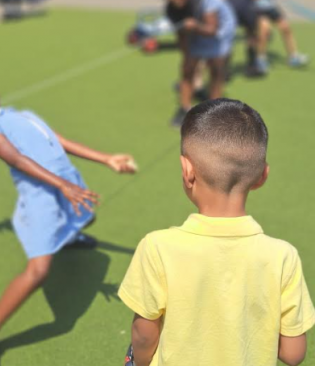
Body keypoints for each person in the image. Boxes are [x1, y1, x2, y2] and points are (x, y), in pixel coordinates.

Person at [0, 75, 137, 366]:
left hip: (65, 184)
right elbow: (17, 160)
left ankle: (68, 237)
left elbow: (60, 141)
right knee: (38, 272)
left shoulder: (23, 114)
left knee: (85, 219)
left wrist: (106, 159)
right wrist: (63, 186)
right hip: (43, 197)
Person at [119, 98, 315, 366]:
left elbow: (144, 335)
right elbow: (293, 354)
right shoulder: (283, 256)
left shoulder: (157, 247)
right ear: (262, 176)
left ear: (187, 170)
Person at [162, 0, 236, 127]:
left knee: (216, 69)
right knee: (187, 69)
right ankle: (184, 109)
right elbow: (181, 36)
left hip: (219, 31)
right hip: (196, 30)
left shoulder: (207, 2)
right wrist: (187, 56)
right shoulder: (171, 9)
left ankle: (214, 111)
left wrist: (195, 26)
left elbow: (212, 29)